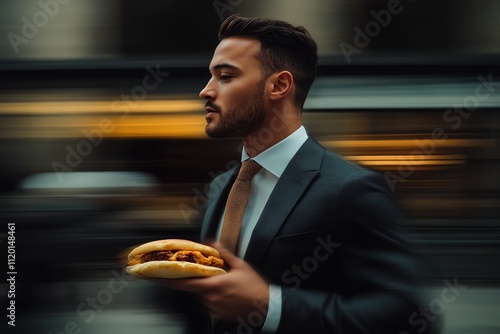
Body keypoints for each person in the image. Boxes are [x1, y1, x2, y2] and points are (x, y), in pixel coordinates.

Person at [164, 14, 436, 334]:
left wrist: (270, 304)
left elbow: (407, 316)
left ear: (279, 85)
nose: (205, 91)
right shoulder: (221, 186)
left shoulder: (352, 189)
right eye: (210, 76)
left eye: (225, 76)